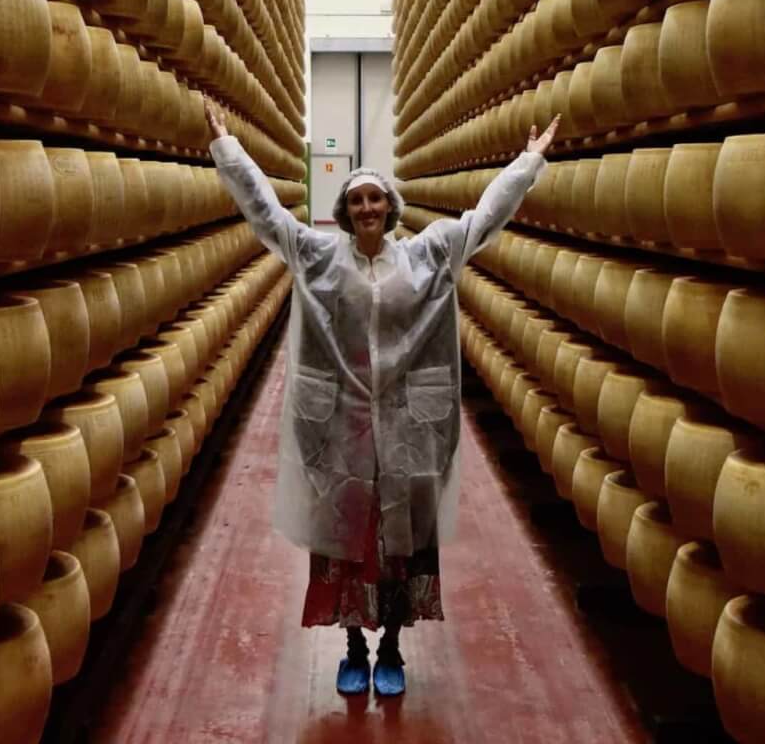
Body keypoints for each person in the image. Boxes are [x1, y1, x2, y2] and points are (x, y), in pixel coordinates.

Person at [201, 95, 560, 698]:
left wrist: (527, 163)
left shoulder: (427, 258)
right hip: (340, 425)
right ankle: (352, 647)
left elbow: (482, 221)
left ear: (391, 208)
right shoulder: (316, 257)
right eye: (356, 200)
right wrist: (227, 149)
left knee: (400, 543)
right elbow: (265, 214)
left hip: (408, 426)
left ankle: (391, 646)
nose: (367, 207)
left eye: (376, 198)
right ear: (344, 212)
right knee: (346, 539)